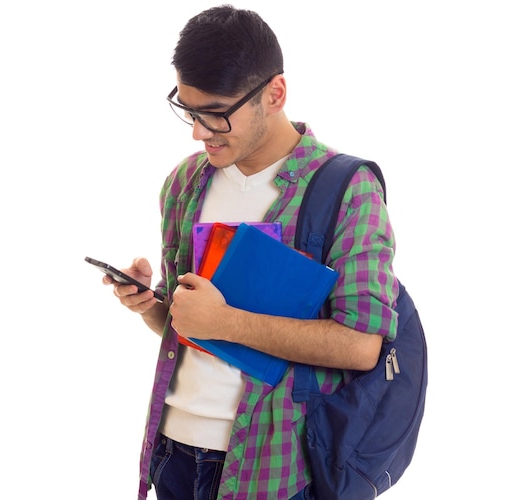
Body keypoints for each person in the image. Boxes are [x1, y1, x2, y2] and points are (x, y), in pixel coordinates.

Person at [103, 5, 398, 499]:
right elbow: (191, 330)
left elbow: (363, 346)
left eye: (216, 114)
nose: (199, 132)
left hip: (273, 468)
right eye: (190, 111)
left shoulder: (345, 189)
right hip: (172, 453)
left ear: (275, 94)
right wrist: (153, 306)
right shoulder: (185, 182)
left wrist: (226, 323)